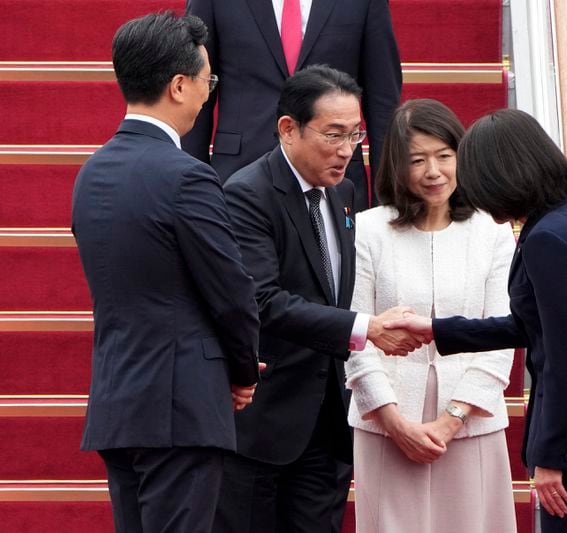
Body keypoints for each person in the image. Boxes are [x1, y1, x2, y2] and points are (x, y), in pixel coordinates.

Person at [386, 108, 567, 533]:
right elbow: (531, 326)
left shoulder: (548, 239)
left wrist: (551, 457)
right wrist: (437, 330)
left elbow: (566, 362)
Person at [71, 12, 262, 533]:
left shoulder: (91, 173)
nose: (207, 95)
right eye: (207, 82)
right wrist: (243, 371)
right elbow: (231, 292)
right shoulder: (187, 177)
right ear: (179, 86)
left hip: (117, 403)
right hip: (181, 407)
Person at [214, 65, 422, 533]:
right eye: (333, 135)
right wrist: (366, 328)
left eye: (355, 136)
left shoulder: (343, 193)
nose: (347, 151)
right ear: (288, 129)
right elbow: (263, 300)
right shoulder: (246, 195)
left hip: (327, 425)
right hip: (263, 425)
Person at [344, 99, 517, 533]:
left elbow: (503, 335)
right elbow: (355, 333)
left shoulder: (492, 232)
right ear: (397, 166)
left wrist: (449, 421)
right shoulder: (367, 230)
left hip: (471, 419)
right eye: (418, 160)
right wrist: (393, 420)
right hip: (387, 423)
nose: (433, 171)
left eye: (444, 156)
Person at [182, 0, 402, 213]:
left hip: (335, 178)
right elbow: (195, 88)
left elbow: (382, 102)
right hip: (239, 173)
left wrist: (386, 204)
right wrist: (193, 192)